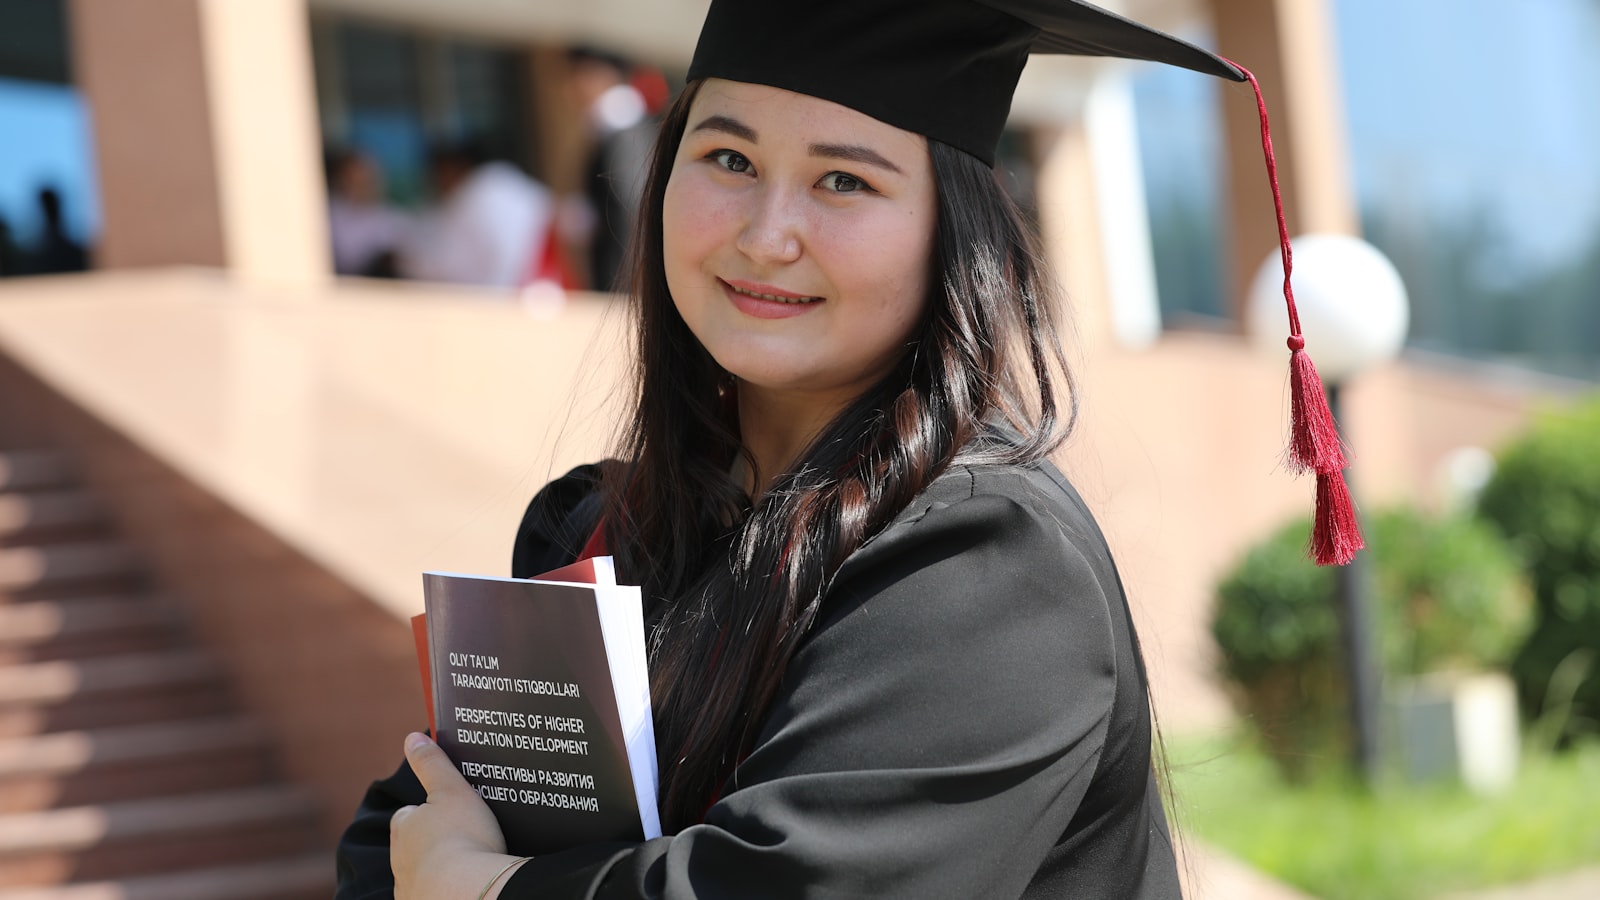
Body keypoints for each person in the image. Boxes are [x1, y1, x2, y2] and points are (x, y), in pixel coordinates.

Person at [336, 1, 1354, 897]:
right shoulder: (604, 527)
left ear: (949, 233)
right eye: (728, 159)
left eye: (843, 182)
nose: (767, 233)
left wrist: (485, 892)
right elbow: (398, 834)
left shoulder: (986, 562)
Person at [326, 147, 411, 279]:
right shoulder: (329, 215)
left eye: (367, 178)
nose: (362, 184)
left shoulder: (394, 218)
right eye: (355, 179)